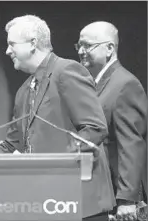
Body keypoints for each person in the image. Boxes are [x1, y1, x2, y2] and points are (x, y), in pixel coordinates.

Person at [0, 15, 116, 221]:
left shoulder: (67, 71)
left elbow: (95, 128)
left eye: (11, 44)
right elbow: (11, 146)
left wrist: (54, 165)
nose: (7, 51)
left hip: (82, 204)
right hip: (48, 204)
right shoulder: (23, 91)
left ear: (33, 43)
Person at [76, 21, 147, 220]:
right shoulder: (93, 83)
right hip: (97, 192)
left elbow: (131, 145)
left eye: (87, 45)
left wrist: (127, 199)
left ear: (109, 48)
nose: (81, 51)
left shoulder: (125, 84)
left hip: (117, 200)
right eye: (79, 45)